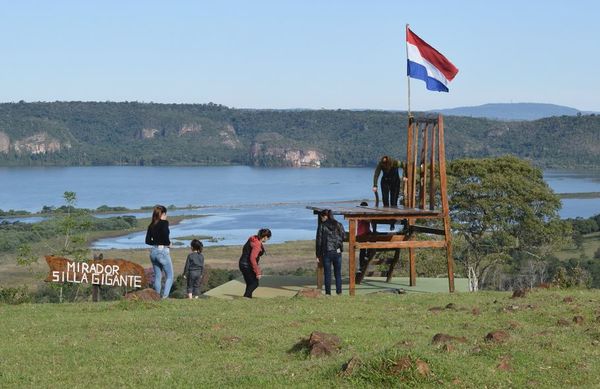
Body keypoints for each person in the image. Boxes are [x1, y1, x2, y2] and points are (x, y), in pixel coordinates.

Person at [145, 205, 174, 298]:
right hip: (162, 251)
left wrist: (156, 242)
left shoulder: (151, 225)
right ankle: (165, 297)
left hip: (153, 251)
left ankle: (156, 297)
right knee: (170, 276)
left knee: (158, 276)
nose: (166, 216)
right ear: (163, 214)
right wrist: (168, 243)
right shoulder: (164, 223)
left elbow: (147, 241)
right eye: (166, 214)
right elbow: (165, 235)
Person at [315, 209, 345, 295]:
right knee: (338, 273)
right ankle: (339, 292)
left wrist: (318, 254)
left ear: (325, 216)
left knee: (327, 274)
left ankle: (328, 293)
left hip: (327, 252)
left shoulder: (322, 226)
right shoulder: (339, 225)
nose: (321, 219)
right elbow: (343, 236)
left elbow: (319, 241)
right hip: (337, 252)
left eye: (322, 217)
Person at [238, 228, 272, 298]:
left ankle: (248, 298)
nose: (267, 240)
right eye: (268, 238)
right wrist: (258, 272)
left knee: (249, 283)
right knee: (254, 283)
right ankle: (245, 298)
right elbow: (252, 258)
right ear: (265, 237)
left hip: (242, 264)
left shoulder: (253, 238)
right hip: (247, 265)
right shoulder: (257, 244)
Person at [356, 201, 372, 281]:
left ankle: (365, 259)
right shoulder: (360, 214)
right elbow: (368, 220)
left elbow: (369, 221)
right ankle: (361, 265)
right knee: (362, 250)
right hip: (361, 234)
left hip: (366, 232)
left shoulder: (365, 214)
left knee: (370, 245)